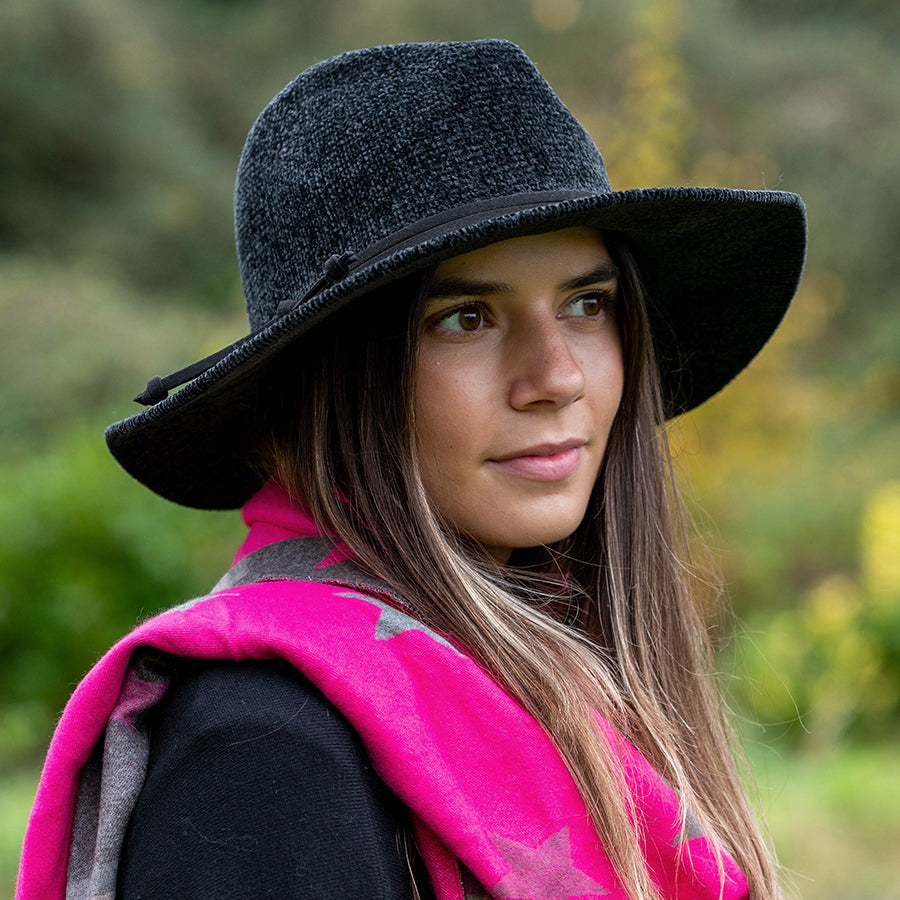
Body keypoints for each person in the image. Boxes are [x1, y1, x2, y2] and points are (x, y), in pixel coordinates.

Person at [17, 39, 806, 900]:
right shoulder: (266, 757)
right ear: (330, 381)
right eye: (465, 317)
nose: (559, 376)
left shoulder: (561, 700)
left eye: (588, 304)